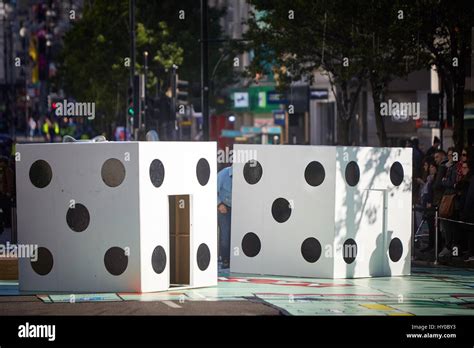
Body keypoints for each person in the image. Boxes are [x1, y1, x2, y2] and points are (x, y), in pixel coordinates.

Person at [438, 147, 458, 259]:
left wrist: (444, 182)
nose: (450, 157)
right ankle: (448, 246)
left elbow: (451, 182)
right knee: (445, 224)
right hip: (446, 196)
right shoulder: (447, 167)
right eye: (449, 155)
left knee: (450, 225)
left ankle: (450, 247)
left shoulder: (454, 168)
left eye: (452, 155)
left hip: (451, 198)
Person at [217, 165, 232, 269]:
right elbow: (209, 189)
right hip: (224, 208)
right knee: (225, 235)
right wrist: (219, 204)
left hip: (240, 209)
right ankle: (225, 260)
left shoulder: (246, 173)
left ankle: (236, 259)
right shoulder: (223, 174)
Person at [459, 161, 474, 262]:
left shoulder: (471, 180)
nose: (463, 170)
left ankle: (471, 253)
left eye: (465, 168)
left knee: (471, 232)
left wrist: (466, 210)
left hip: (470, 210)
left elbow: (470, 196)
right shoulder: (465, 180)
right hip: (466, 209)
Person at [0, 156, 14, 234]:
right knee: (4, 209)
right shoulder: (3, 170)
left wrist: (9, 192)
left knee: (6, 209)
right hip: (3, 192)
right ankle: (6, 222)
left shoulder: (8, 170)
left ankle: (8, 223)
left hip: (6, 193)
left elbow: (10, 182)